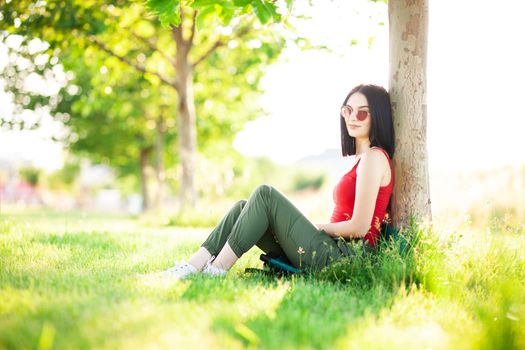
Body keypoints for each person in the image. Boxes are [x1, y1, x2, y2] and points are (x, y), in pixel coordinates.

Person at [162, 83, 395, 278]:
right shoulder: (363, 160)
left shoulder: (374, 158)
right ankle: (193, 266)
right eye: (347, 110)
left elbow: (359, 226)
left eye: (362, 113)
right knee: (243, 208)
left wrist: (316, 227)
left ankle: (216, 271)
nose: (352, 118)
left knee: (265, 194)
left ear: (378, 116)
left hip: (341, 257)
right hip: (328, 248)